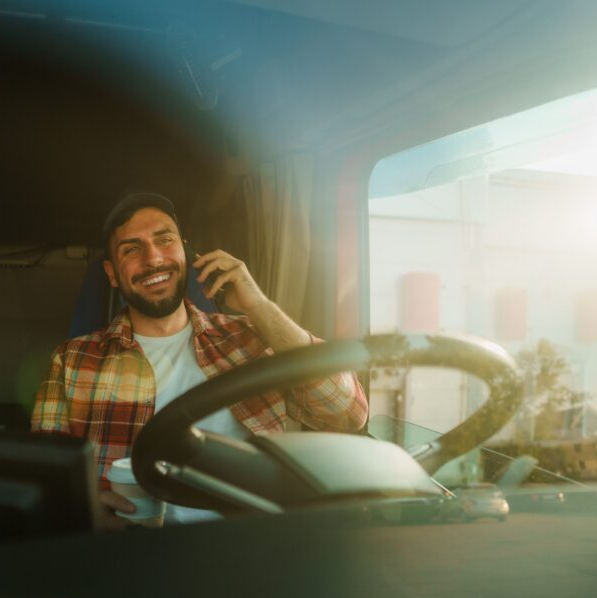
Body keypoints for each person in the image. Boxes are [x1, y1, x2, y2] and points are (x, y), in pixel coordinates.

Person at [32, 192, 368, 530]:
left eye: (165, 240)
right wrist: (85, 510)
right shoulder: (72, 360)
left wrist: (258, 305)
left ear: (185, 252)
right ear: (112, 273)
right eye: (132, 249)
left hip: (256, 546)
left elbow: (346, 413)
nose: (153, 259)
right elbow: (45, 481)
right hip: (133, 550)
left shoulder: (251, 338)